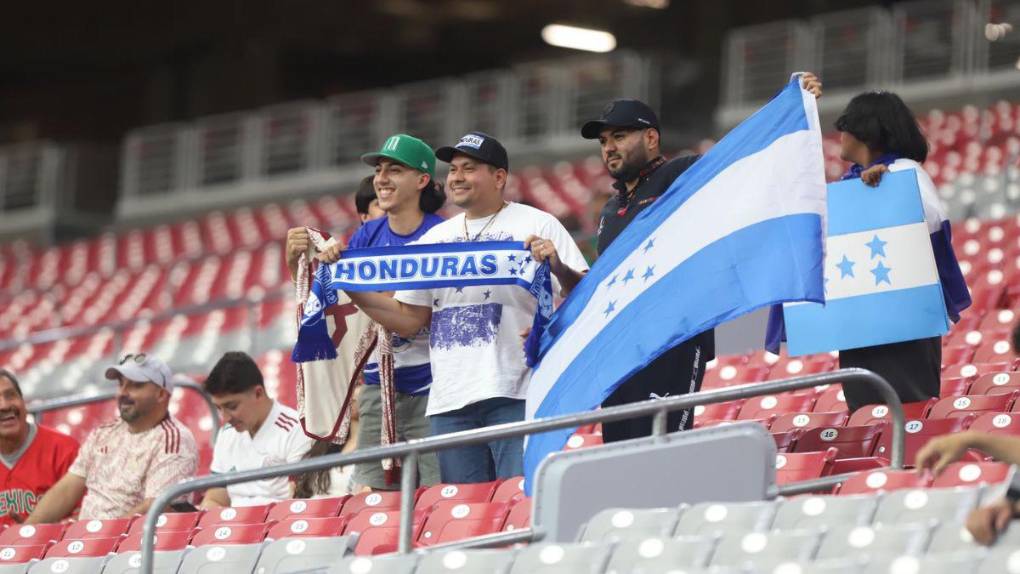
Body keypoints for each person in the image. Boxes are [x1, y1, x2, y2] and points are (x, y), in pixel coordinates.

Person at [334, 132, 589, 483]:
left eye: (469, 168)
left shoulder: (537, 224)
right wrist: (349, 285)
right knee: (466, 512)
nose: (456, 177)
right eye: (453, 169)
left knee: (517, 502)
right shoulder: (434, 241)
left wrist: (557, 266)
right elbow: (408, 320)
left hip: (514, 392)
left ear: (499, 177)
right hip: (449, 403)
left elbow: (586, 295)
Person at [766, 90, 970, 412]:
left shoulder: (905, 174)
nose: (840, 136)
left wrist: (884, 195)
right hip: (862, 329)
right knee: (866, 420)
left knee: (905, 420)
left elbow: (929, 236)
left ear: (865, 131)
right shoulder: (852, 184)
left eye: (845, 126)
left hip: (903, 331)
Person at [340, 134, 445, 490]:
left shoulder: (442, 235)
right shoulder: (366, 234)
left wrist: (366, 293)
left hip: (434, 385)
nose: (381, 178)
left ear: (422, 180)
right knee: (369, 496)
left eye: (394, 170)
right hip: (377, 384)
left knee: (439, 493)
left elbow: (419, 315)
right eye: (379, 170)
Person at [26, 354, 198, 523]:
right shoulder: (103, 433)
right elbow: (66, 490)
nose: (123, 393)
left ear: (161, 394)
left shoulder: (174, 440)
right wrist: (27, 530)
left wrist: (96, 538)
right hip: (88, 538)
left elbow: (153, 508)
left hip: (127, 545)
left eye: (135, 386)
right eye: (121, 384)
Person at [200, 352, 314, 507]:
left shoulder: (296, 430)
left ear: (258, 393)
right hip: (234, 526)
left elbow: (297, 504)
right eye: (219, 408)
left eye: (232, 407)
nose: (225, 418)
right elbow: (214, 499)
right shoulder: (226, 433)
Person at [0, 369, 79, 525]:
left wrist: (36, 533)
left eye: (10, 395)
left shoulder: (65, 449)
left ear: (24, 402)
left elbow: (87, 517)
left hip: (56, 547)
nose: (4, 405)